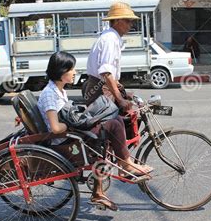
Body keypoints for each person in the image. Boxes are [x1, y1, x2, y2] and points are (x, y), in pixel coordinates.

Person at [37, 51, 152, 211]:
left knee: (114, 120)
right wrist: (70, 125)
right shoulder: (50, 94)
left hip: (70, 133)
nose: (75, 72)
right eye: (72, 69)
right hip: (64, 139)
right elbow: (55, 128)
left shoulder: (58, 90)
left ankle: (100, 189)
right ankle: (125, 164)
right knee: (114, 124)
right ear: (62, 72)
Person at [82, 2, 139, 110]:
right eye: (127, 21)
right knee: (115, 124)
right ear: (117, 21)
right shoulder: (110, 39)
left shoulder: (111, 37)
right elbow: (106, 73)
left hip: (101, 88)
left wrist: (121, 90)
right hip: (100, 90)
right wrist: (120, 99)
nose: (130, 25)